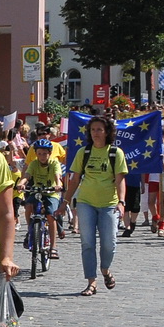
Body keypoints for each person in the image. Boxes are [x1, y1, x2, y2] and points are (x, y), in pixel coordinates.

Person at [59, 115, 127, 296]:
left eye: (99, 129)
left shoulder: (115, 153)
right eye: (93, 130)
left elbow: (120, 180)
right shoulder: (84, 152)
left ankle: (105, 270)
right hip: (86, 202)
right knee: (87, 243)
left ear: (107, 132)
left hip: (108, 203)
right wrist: (65, 201)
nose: (96, 133)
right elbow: (74, 180)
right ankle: (92, 281)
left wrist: (121, 201)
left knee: (109, 243)